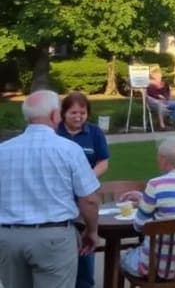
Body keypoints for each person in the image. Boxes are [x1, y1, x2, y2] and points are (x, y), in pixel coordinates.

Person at [0, 90, 101, 288]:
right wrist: (92, 231)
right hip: (53, 238)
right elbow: (89, 199)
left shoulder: (3, 151)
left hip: (9, 237)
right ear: (56, 115)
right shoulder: (69, 149)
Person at [118, 137, 175, 279]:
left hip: (155, 268)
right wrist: (144, 198)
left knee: (122, 256)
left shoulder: (155, 185)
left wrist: (145, 203)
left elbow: (139, 226)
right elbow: (174, 202)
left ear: (163, 160)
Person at [56, 92, 110, 288]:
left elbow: (103, 162)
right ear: (63, 113)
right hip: (59, 198)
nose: (78, 117)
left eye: (83, 113)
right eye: (73, 113)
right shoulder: (54, 132)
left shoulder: (94, 133)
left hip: (85, 196)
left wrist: (87, 178)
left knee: (84, 245)